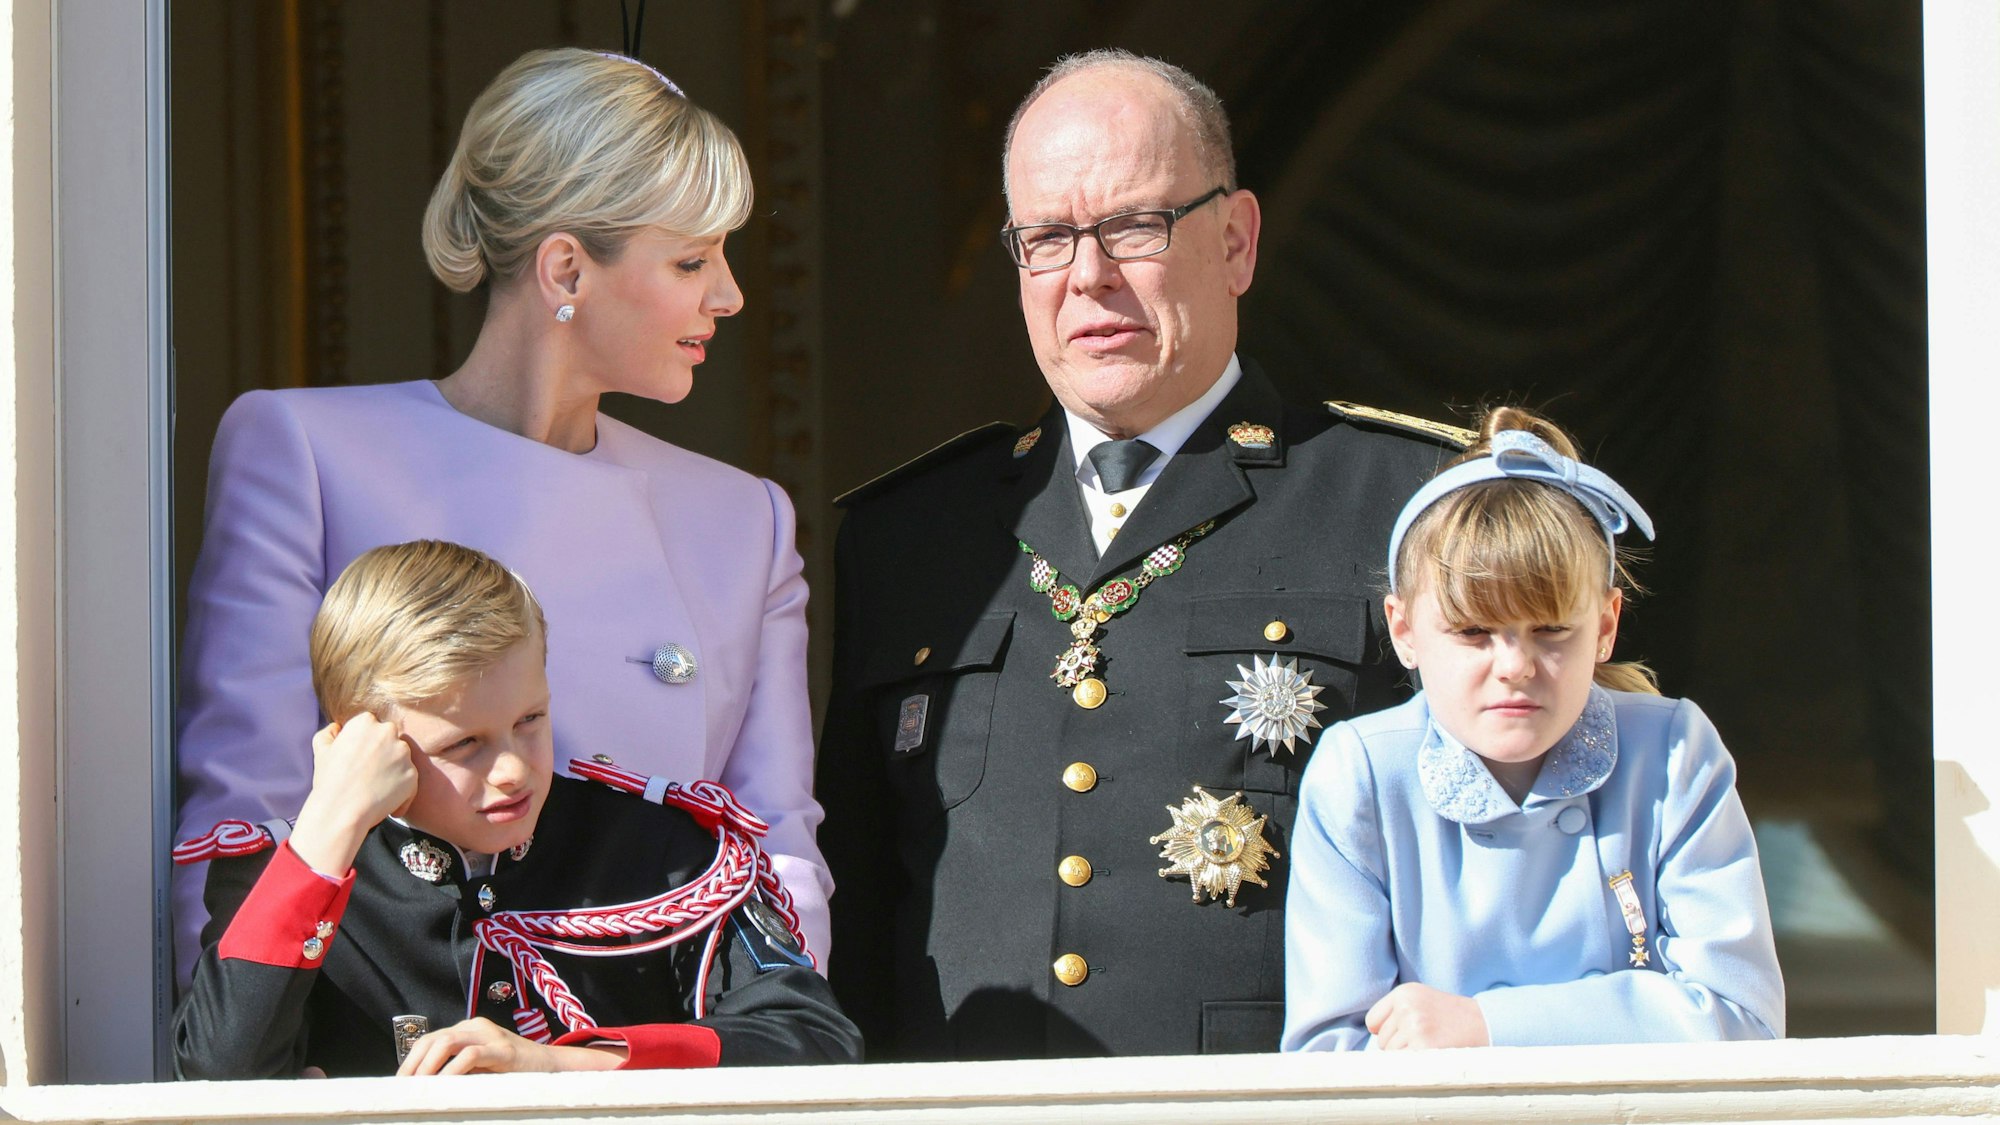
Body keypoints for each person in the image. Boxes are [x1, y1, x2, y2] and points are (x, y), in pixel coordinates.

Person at [815, 49, 1466, 1059]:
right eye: (1046, 238)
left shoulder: (1401, 508)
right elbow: (853, 906)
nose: (1088, 275)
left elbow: (1489, 873)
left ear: (1236, 241)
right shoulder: (909, 536)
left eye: (1132, 225)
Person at [172, 48, 830, 987]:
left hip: (646, 1065)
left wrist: (765, 1067)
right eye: (692, 259)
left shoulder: (745, 520)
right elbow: (238, 827)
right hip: (387, 1060)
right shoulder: (306, 451)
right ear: (566, 266)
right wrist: (243, 1072)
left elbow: (780, 853)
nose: (729, 296)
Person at [173, 540, 861, 1078]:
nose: (512, 768)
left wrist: (564, 1064)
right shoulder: (291, 878)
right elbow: (220, 1073)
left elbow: (817, 1042)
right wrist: (330, 825)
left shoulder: (663, 849)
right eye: (464, 742)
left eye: (530, 718)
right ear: (362, 738)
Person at [1280, 408, 1784, 1051]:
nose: (1515, 667)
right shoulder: (1364, 771)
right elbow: (1329, 1054)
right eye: (1472, 632)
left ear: (1605, 625)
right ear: (1403, 630)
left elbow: (1745, 1019)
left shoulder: (1673, 751)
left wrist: (1485, 1027)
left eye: (1551, 631)